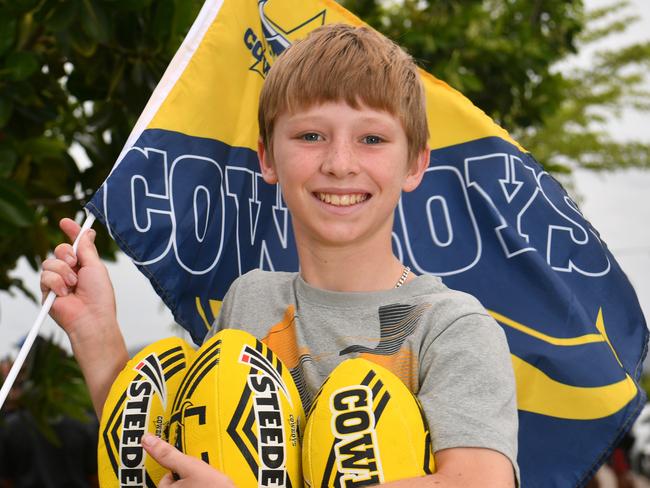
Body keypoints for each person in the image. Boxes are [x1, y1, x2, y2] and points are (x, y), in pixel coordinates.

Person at [41, 24, 518, 487]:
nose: (339, 163)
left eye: (371, 139)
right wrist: (95, 332)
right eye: (311, 136)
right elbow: (159, 456)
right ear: (267, 158)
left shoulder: (451, 327)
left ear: (414, 163)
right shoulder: (250, 301)